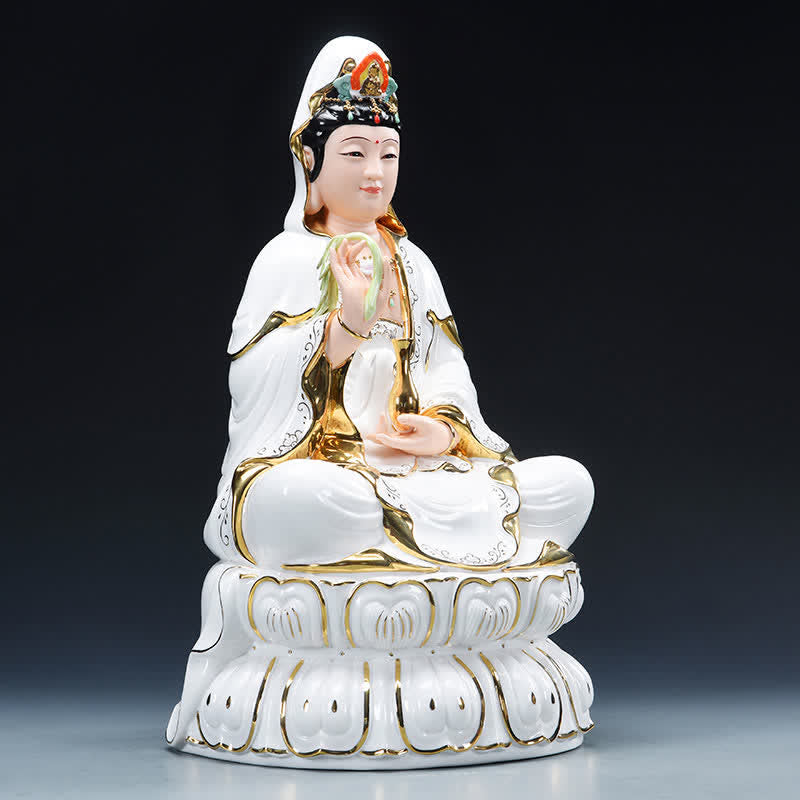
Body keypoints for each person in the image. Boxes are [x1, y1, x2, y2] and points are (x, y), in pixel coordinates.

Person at [203, 37, 594, 572]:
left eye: (388, 154)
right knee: (295, 500)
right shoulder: (286, 258)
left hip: (421, 471)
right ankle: (421, 566)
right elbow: (252, 386)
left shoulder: (414, 263)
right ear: (310, 159)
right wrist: (345, 327)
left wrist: (444, 428)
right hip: (331, 470)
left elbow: (446, 368)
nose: (375, 172)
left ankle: (394, 560)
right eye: (355, 152)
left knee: (568, 483)